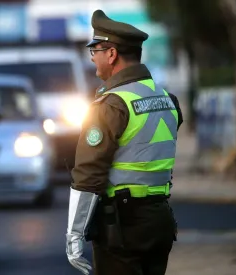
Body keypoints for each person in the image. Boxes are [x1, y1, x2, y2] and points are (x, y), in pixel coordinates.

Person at [66, 10, 183, 275]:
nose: (93, 57)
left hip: (121, 226)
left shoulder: (111, 106)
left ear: (111, 53)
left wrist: (73, 235)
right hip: (159, 218)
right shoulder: (168, 100)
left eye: (95, 50)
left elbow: (88, 175)